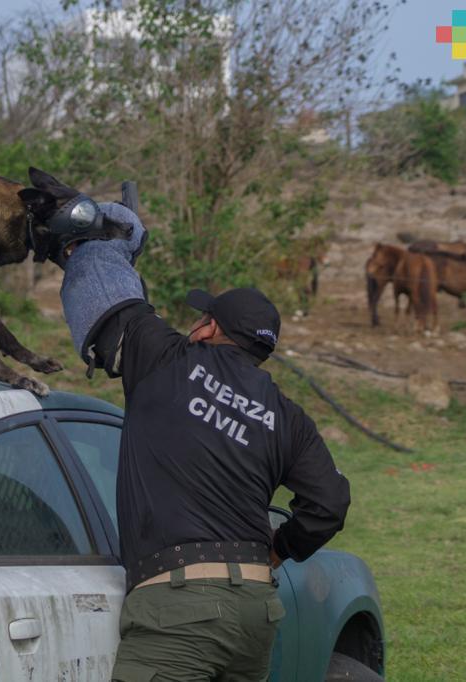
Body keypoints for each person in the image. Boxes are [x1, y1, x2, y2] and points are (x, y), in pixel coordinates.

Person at [57, 202, 351, 682]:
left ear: (208, 327)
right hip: (257, 610)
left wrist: (103, 233)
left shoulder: (169, 359)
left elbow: (103, 296)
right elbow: (331, 503)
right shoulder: (287, 417)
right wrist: (278, 549)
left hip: (179, 609)